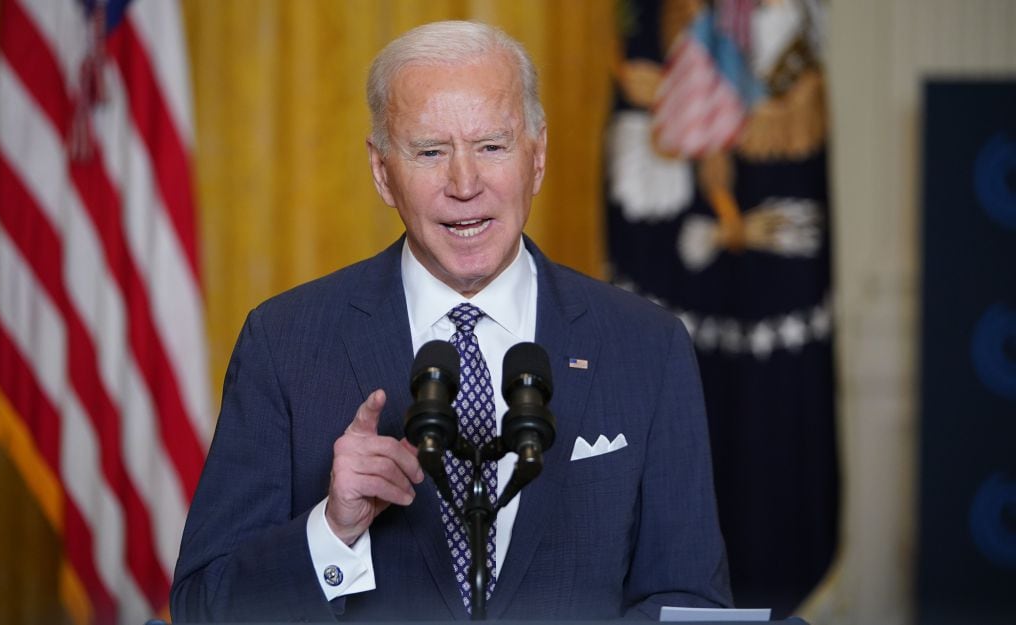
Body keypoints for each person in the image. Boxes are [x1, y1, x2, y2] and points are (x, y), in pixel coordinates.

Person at [171, 20, 732, 622]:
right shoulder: (285, 343)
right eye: (430, 152)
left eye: (491, 146)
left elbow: (689, 599)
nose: (465, 185)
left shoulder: (646, 346)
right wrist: (332, 532)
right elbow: (203, 605)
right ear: (382, 171)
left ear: (537, 157)